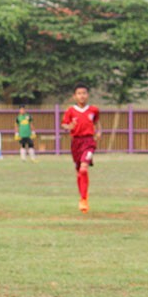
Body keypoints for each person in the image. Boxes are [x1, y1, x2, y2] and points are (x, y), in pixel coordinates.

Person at [61, 84, 100, 212]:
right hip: (76, 143)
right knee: (79, 171)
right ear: (74, 96)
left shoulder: (94, 110)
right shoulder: (70, 111)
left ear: (87, 95)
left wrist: (98, 132)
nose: (82, 96)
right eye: (79, 93)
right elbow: (64, 125)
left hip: (89, 142)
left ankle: (83, 199)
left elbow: (96, 122)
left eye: (84, 93)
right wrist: (69, 126)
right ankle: (83, 196)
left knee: (84, 169)